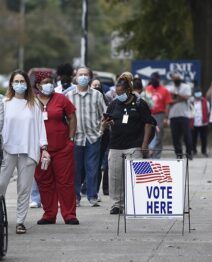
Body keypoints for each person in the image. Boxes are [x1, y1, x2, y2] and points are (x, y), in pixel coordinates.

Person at [0, 70, 49, 234]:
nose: (19, 84)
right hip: (8, 149)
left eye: (22, 81)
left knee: (24, 188)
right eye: (16, 81)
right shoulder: (4, 103)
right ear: (11, 84)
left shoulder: (34, 104)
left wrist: (44, 148)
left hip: (28, 150)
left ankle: (20, 221)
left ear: (27, 83)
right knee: (0, 186)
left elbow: (41, 127)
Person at [101, 76, 153, 214]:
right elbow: (107, 120)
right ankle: (117, 204)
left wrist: (145, 143)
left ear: (129, 90)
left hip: (134, 145)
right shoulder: (114, 104)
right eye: (117, 94)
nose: (119, 96)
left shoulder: (140, 103)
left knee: (138, 175)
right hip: (116, 145)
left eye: (121, 93)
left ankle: (137, 202)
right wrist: (106, 124)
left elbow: (148, 123)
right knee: (115, 177)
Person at [33, 77, 79, 225]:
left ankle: (69, 214)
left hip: (62, 149)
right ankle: (49, 214)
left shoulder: (61, 99)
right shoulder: (32, 101)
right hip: (40, 150)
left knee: (65, 182)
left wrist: (70, 139)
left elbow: (72, 117)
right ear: (38, 85)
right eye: (45, 82)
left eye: (50, 82)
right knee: (44, 182)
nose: (48, 85)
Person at [67, 67, 106, 207]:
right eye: (80, 74)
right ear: (76, 77)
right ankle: (75, 197)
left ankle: (92, 196)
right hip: (75, 138)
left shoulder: (97, 95)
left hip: (93, 137)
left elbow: (104, 115)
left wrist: (100, 131)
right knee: (75, 169)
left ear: (90, 77)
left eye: (85, 75)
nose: (83, 77)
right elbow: (65, 117)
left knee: (93, 168)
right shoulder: (69, 96)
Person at [145, 72, 172, 158]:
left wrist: (166, 118)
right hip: (149, 114)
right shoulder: (148, 89)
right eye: (152, 79)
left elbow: (167, 104)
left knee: (159, 134)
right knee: (148, 134)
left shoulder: (164, 90)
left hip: (160, 115)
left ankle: (157, 155)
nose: (153, 81)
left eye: (155, 79)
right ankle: (148, 153)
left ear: (158, 79)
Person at [167, 72, 193, 160]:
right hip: (173, 115)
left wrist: (176, 95)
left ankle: (189, 153)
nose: (176, 79)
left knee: (187, 136)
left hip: (184, 115)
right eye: (174, 78)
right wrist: (178, 98)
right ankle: (178, 154)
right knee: (175, 137)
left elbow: (187, 97)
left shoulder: (186, 86)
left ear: (180, 78)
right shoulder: (170, 88)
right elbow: (169, 101)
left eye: (177, 77)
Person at [192, 89, 210, 157]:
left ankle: (204, 151)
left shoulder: (205, 102)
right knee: (193, 138)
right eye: (197, 93)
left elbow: (208, 112)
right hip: (193, 123)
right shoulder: (191, 101)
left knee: (204, 138)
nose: (198, 95)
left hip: (203, 123)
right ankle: (194, 151)